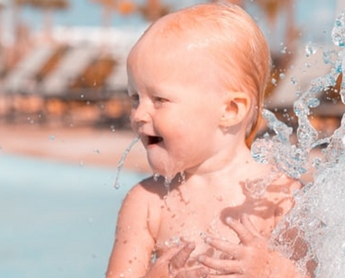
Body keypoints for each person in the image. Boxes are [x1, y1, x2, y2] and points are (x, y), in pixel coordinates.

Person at [107, 3, 306, 277]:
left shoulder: (280, 198)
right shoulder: (147, 203)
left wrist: (273, 270)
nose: (139, 114)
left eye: (159, 99)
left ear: (230, 110)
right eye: (135, 99)